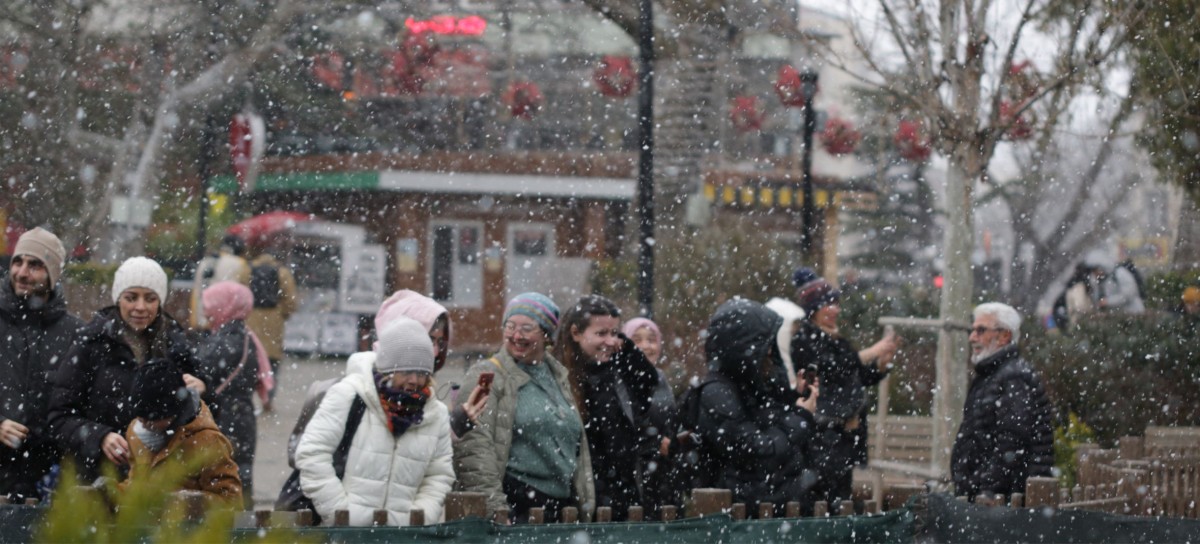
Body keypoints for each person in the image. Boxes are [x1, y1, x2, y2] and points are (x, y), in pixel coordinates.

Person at [49, 256, 209, 482]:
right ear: (118, 299)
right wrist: (100, 437)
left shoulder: (176, 346)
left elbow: (208, 413)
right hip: (100, 481)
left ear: (160, 302)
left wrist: (201, 391)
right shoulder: (91, 344)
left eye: (150, 298)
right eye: (131, 297)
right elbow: (60, 417)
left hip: (162, 483)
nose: (140, 307)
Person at [286, 289, 485, 467]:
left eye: (439, 342)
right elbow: (310, 457)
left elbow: (415, 459)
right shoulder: (356, 390)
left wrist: (457, 423)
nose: (434, 350)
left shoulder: (419, 391)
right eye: (429, 338)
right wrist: (339, 502)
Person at [294, 317, 454, 526]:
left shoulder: (436, 414)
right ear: (387, 369)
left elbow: (439, 476)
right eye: (406, 371)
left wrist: (418, 518)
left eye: (422, 373)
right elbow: (311, 454)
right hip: (345, 534)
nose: (414, 380)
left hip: (402, 537)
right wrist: (340, 513)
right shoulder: (349, 394)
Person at [454, 293, 595, 523]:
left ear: (547, 335)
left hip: (561, 509)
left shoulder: (559, 376)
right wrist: (495, 509)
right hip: (516, 506)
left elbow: (577, 450)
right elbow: (474, 449)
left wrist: (584, 503)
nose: (516, 335)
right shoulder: (488, 376)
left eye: (527, 328)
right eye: (510, 326)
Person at [695, 298, 820, 516]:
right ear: (743, 348)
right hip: (748, 510)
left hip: (771, 504)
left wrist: (794, 398)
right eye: (764, 345)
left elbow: (767, 419)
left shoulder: (745, 381)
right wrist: (799, 416)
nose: (770, 353)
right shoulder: (717, 392)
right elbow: (757, 450)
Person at [789, 267, 896, 513]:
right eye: (828, 304)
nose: (835, 310)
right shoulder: (804, 339)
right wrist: (874, 350)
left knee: (841, 495)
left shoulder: (837, 339)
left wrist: (883, 362)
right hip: (822, 435)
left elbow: (857, 376)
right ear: (813, 309)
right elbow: (834, 369)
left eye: (837, 304)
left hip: (845, 437)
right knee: (823, 499)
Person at [553, 296, 658, 521]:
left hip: (623, 494)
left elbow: (649, 382)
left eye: (615, 333)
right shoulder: (557, 377)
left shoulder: (618, 369)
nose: (610, 341)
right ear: (575, 333)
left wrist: (628, 347)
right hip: (578, 497)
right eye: (601, 333)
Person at [0, 228, 83, 501]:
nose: (22, 272)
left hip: (46, 480)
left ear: (52, 274)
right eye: (18, 261)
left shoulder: (76, 334)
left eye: (35, 265)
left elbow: (82, 406)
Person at [952, 302, 1055, 501]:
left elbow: (1012, 443)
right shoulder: (992, 375)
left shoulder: (1013, 377)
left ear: (1004, 336)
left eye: (981, 330)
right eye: (972, 330)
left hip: (1004, 503)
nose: (972, 337)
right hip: (993, 499)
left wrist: (986, 490)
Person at [122, 360, 242, 507]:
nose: (145, 425)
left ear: (174, 413)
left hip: (189, 528)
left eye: (152, 419)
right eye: (141, 418)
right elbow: (135, 483)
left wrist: (185, 503)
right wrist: (114, 493)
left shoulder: (208, 441)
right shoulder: (136, 432)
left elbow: (231, 501)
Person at [196, 281, 273, 509]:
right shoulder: (240, 334)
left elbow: (202, 368)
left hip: (227, 418)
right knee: (239, 476)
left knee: (227, 478)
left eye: (210, 305)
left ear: (224, 306)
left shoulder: (228, 339)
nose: (206, 311)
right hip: (240, 416)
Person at [622, 316, 683, 518]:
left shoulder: (661, 378)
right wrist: (656, 442)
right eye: (637, 340)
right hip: (638, 477)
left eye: (651, 339)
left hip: (666, 475)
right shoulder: (622, 381)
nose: (645, 346)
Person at [190, 234, 251, 330]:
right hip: (226, 323)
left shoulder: (204, 262)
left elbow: (196, 292)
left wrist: (195, 320)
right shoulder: (240, 264)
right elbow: (244, 296)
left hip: (203, 318)